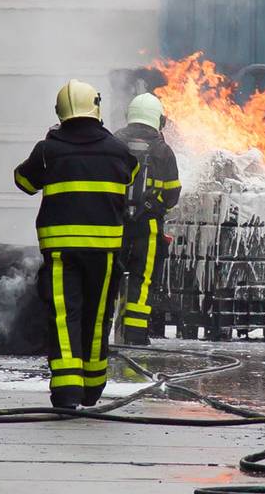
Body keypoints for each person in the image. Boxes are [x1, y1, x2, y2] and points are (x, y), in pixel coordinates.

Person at [14, 80, 136, 409]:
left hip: (61, 253)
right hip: (105, 254)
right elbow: (132, 174)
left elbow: (23, 182)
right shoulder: (118, 150)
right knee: (97, 318)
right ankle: (93, 388)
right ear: (95, 108)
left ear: (60, 112)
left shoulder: (47, 151)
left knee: (65, 318)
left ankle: (67, 393)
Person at [113, 93, 181, 346]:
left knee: (108, 275)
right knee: (143, 281)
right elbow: (173, 194)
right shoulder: (163, 151)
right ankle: (135, 335)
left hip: (114, 224)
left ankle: (99, 331)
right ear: (159, 120)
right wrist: (152, 206)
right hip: (149, 228)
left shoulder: (114, 143)